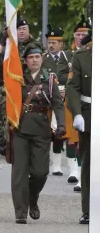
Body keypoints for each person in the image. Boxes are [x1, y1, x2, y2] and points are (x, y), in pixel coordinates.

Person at [9, 43, 65, 223]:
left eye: (37, 57)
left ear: (42, 58)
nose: (34, 60)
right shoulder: (17, 78)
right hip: (20, 129)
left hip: (41, 130)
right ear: (25, 61)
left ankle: (32, 198)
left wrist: (62, 125)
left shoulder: (49, 79)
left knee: (40, 173)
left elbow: (57, 103)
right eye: (31, 57)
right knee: (19, 173)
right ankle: (21, 212)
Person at [43, 25, 79, 182]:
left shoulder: (69, 57)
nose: (51, 45)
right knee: (53, 131)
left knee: (69, 131)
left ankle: (73, 168)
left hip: (67, 98)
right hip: (49, 97)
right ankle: (55, 165)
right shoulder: (43, 58)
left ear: (61, 44)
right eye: (49, 42)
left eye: (55, 42)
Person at [66, 28, 92, 224]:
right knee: (89, 166)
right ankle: (89, 210)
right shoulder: (82, 56)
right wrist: (76, 113)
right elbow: (73, 87)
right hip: (89, 114)